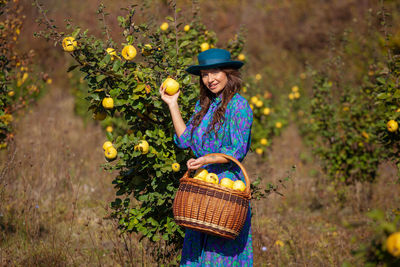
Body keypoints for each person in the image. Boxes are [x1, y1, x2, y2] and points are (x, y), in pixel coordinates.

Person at [159, 48, 253, 266]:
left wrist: (207, 159)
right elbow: (185, 141)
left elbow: (237, 150)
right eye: (205, 74)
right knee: (196, 255)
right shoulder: (204, 105)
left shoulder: (239, 106)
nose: (210, 79)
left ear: (228, 72)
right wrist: (172, 104)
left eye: (215, 72)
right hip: (201, 191)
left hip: (226, 191)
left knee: (219, 256)